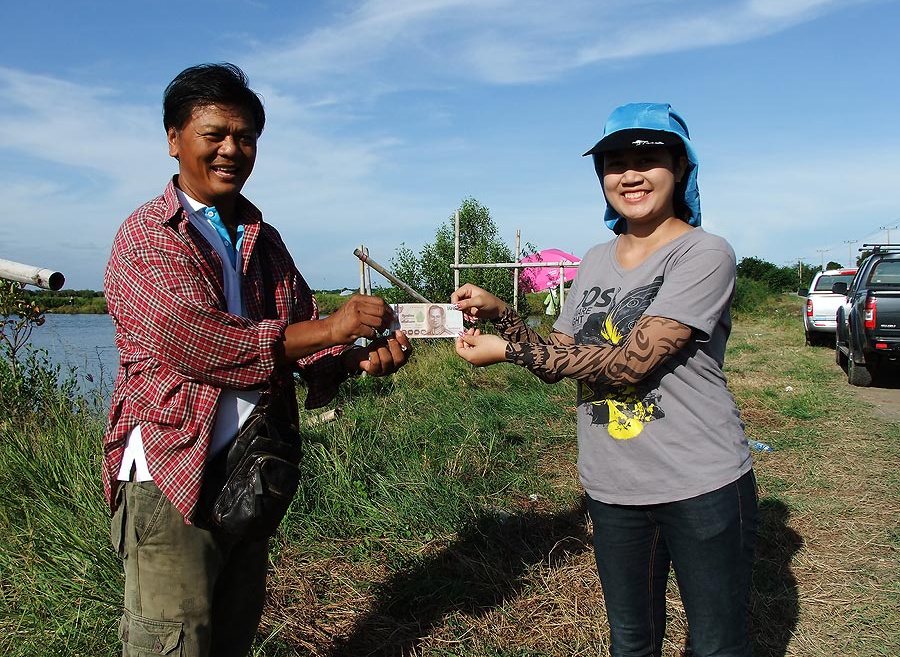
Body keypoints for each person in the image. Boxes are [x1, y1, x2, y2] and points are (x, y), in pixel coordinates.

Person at [103, 63, 411, 657]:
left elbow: (305, 332)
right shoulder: (148, 236)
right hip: (171, 473)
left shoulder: (259, 237)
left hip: (250, 470)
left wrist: (352, 358)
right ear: (173, 140)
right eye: (213, 134)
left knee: (235, 627)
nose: (231, 150)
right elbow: (199, 342)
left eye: (244, 138)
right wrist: (334, 326)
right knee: (174, 638)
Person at [452, 102, 757, 657]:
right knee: (631, 640)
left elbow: (631, 362)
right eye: (615, 162)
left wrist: (509, 352)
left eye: (649, 158)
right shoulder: (594, 259)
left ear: (682, 167)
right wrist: (504, 316)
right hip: (614, 486)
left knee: (717, 643)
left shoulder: (705, 253)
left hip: (703, 482)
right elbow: (563, 352)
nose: (630, 174)